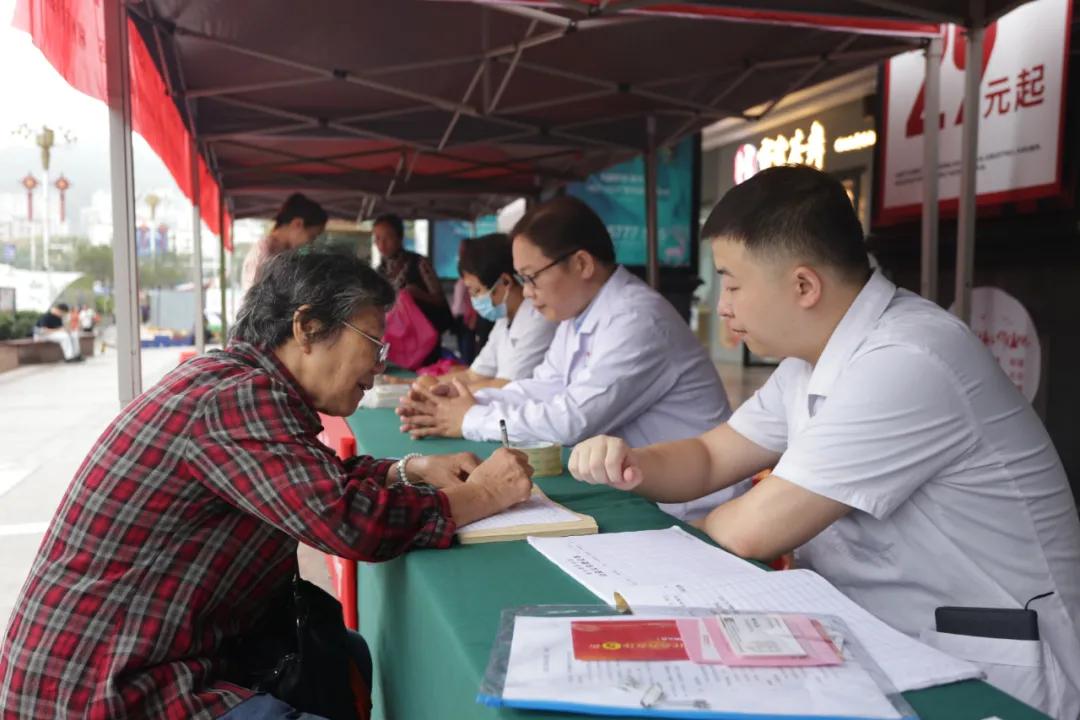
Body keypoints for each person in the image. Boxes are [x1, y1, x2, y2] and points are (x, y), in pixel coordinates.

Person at [568, 165, 1080, 718]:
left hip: (987, 669)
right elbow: (713, 454)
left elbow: (751, 531)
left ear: (805, 285)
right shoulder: (809, 363)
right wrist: (632, 464)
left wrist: (639, 554)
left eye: (733, 283)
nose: (724, 307)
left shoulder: (907, 359)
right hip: (883, 637)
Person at [0, 251, 533, 720]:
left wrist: (408, 470)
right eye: (373, 341)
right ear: (306, 328)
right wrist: (483, 495)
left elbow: (308, 479)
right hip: (110, 690)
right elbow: (348, 522)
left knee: (344, 653)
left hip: (148, 658)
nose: (379, 363)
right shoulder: (235, 397)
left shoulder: (237, 382)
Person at [399, 196, 741, 520]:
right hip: (640, 491)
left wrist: (470, 418)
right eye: (522, 279)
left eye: (531, 277)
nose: (527, 291)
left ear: (581, 263)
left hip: (691, 511)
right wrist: (472, 400)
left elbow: (572, 421)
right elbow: (546, 386)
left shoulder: (637, 319)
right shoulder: (578, 315)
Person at [407, 233, 557, 393]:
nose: (474, 299)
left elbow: (505, 385)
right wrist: (417, 384)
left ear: (505, 282)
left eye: (477, 291)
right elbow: (475, 375)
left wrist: (444, 390)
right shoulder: (504, 321)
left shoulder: (537, 318)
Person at [373, 213, 453, 341]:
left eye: (388, 237)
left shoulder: (420, 264)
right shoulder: (379, 272)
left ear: (400, 237)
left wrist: (418, 294)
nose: (382, 244)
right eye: (377, 238)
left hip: (422, 341)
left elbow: (440, 301)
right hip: (395, 340)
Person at [241, 193, 328, 293]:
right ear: (297, 224)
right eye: (312, 236)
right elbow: (253, 300)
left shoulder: (286, 252)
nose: (311, 242)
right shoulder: (264, 251)